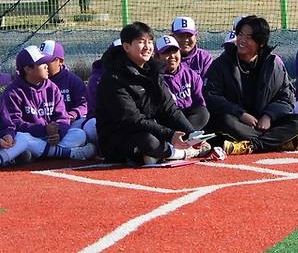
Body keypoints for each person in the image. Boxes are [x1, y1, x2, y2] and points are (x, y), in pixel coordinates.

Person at [95, 22, 210, 166]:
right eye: (141, 42)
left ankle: (161, 152)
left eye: (150, 42)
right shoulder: (113, 79)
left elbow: (169, 107)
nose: (147, 47)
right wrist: (170, 134)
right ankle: (183, 152)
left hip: (149, 127)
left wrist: (192, 133)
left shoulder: (154, 71)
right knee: (149, 141)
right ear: (126, 47)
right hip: (119, 136)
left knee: (201, 114)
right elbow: (131, 119)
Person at [204, 16, 298, 155]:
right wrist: (240, 113)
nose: (242, 40)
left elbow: (286, 97)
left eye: (249, 37)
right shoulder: (221, 63)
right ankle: (276, 142)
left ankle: (251, 145)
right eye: (240, 34)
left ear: (261, 43)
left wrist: (269, 116)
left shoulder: (273, 64)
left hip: (264, 124)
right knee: (225, 121)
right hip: (238, 122)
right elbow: (211, 96)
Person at [4, 45, 96, 160]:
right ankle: (66, 153)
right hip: (32, 136)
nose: (47, 66)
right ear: (28, 69)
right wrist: (43, 129)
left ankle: (41, 153)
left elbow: (62, 117)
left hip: (50, 138)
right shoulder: (13, 92)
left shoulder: (52, 87)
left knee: (79, 134)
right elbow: (14, 123)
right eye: (42, 64)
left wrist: (58, 132)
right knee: (22, 138)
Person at [155, 35, 209, 130]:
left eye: (175, 51)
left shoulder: (190, 74)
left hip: (189, 119)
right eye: (166, 52)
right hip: (168, 120)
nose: (172, 56)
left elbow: (199, 103)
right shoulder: (154, 78)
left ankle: (186, 140)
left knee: (203, 113)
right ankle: (187, 139)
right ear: (157, 57)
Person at [40, 40, 87, 127]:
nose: (43, 65)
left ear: (60, 61)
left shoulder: (72, 80)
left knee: (82, 129)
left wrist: (72, 114)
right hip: (43, 124)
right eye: (40, 61)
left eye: (47, 61)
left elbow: (85, 104)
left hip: (69, 121)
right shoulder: (36, 80)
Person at [83, 38, 121, 146]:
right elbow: (98, 110)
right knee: (92, 127)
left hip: (127, 120)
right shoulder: (97, 78)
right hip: (100, 119)